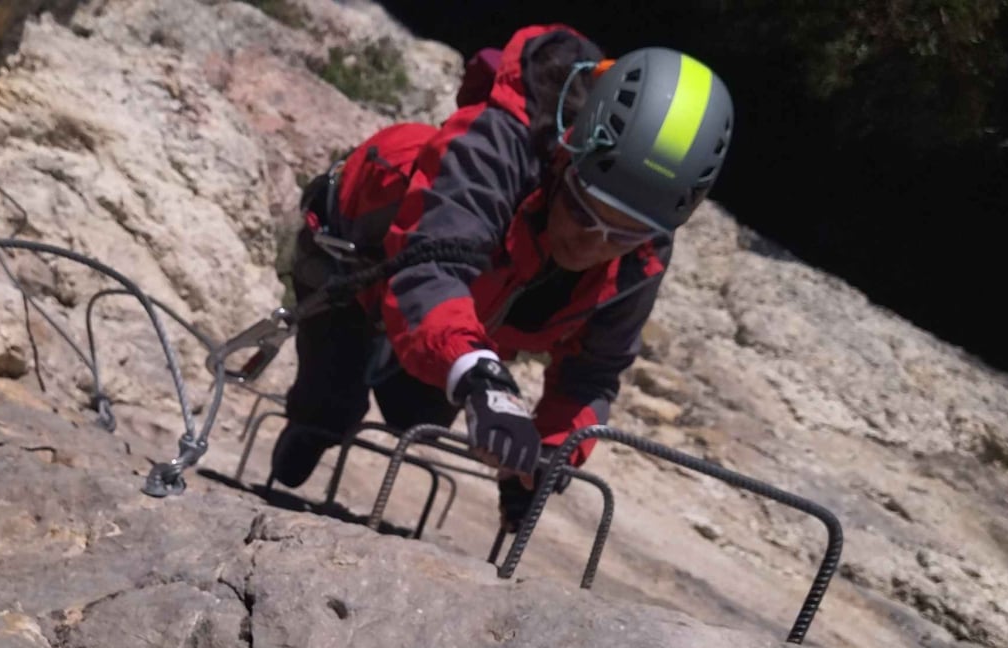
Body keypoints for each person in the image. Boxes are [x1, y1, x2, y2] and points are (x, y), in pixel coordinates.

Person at [271, 23, 733, 528]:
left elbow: (592, 372)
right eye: (585, 211)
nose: (593, 243)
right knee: (330, 398)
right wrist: (481, 376)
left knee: (416, 416)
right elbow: (431, 268)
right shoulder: (493, 147)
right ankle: (321, 418)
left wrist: (549, 458)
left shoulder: (644, 248)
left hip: (474, 303)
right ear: (568, 156)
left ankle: (392, 375)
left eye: (621, 234)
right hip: (353, 254)